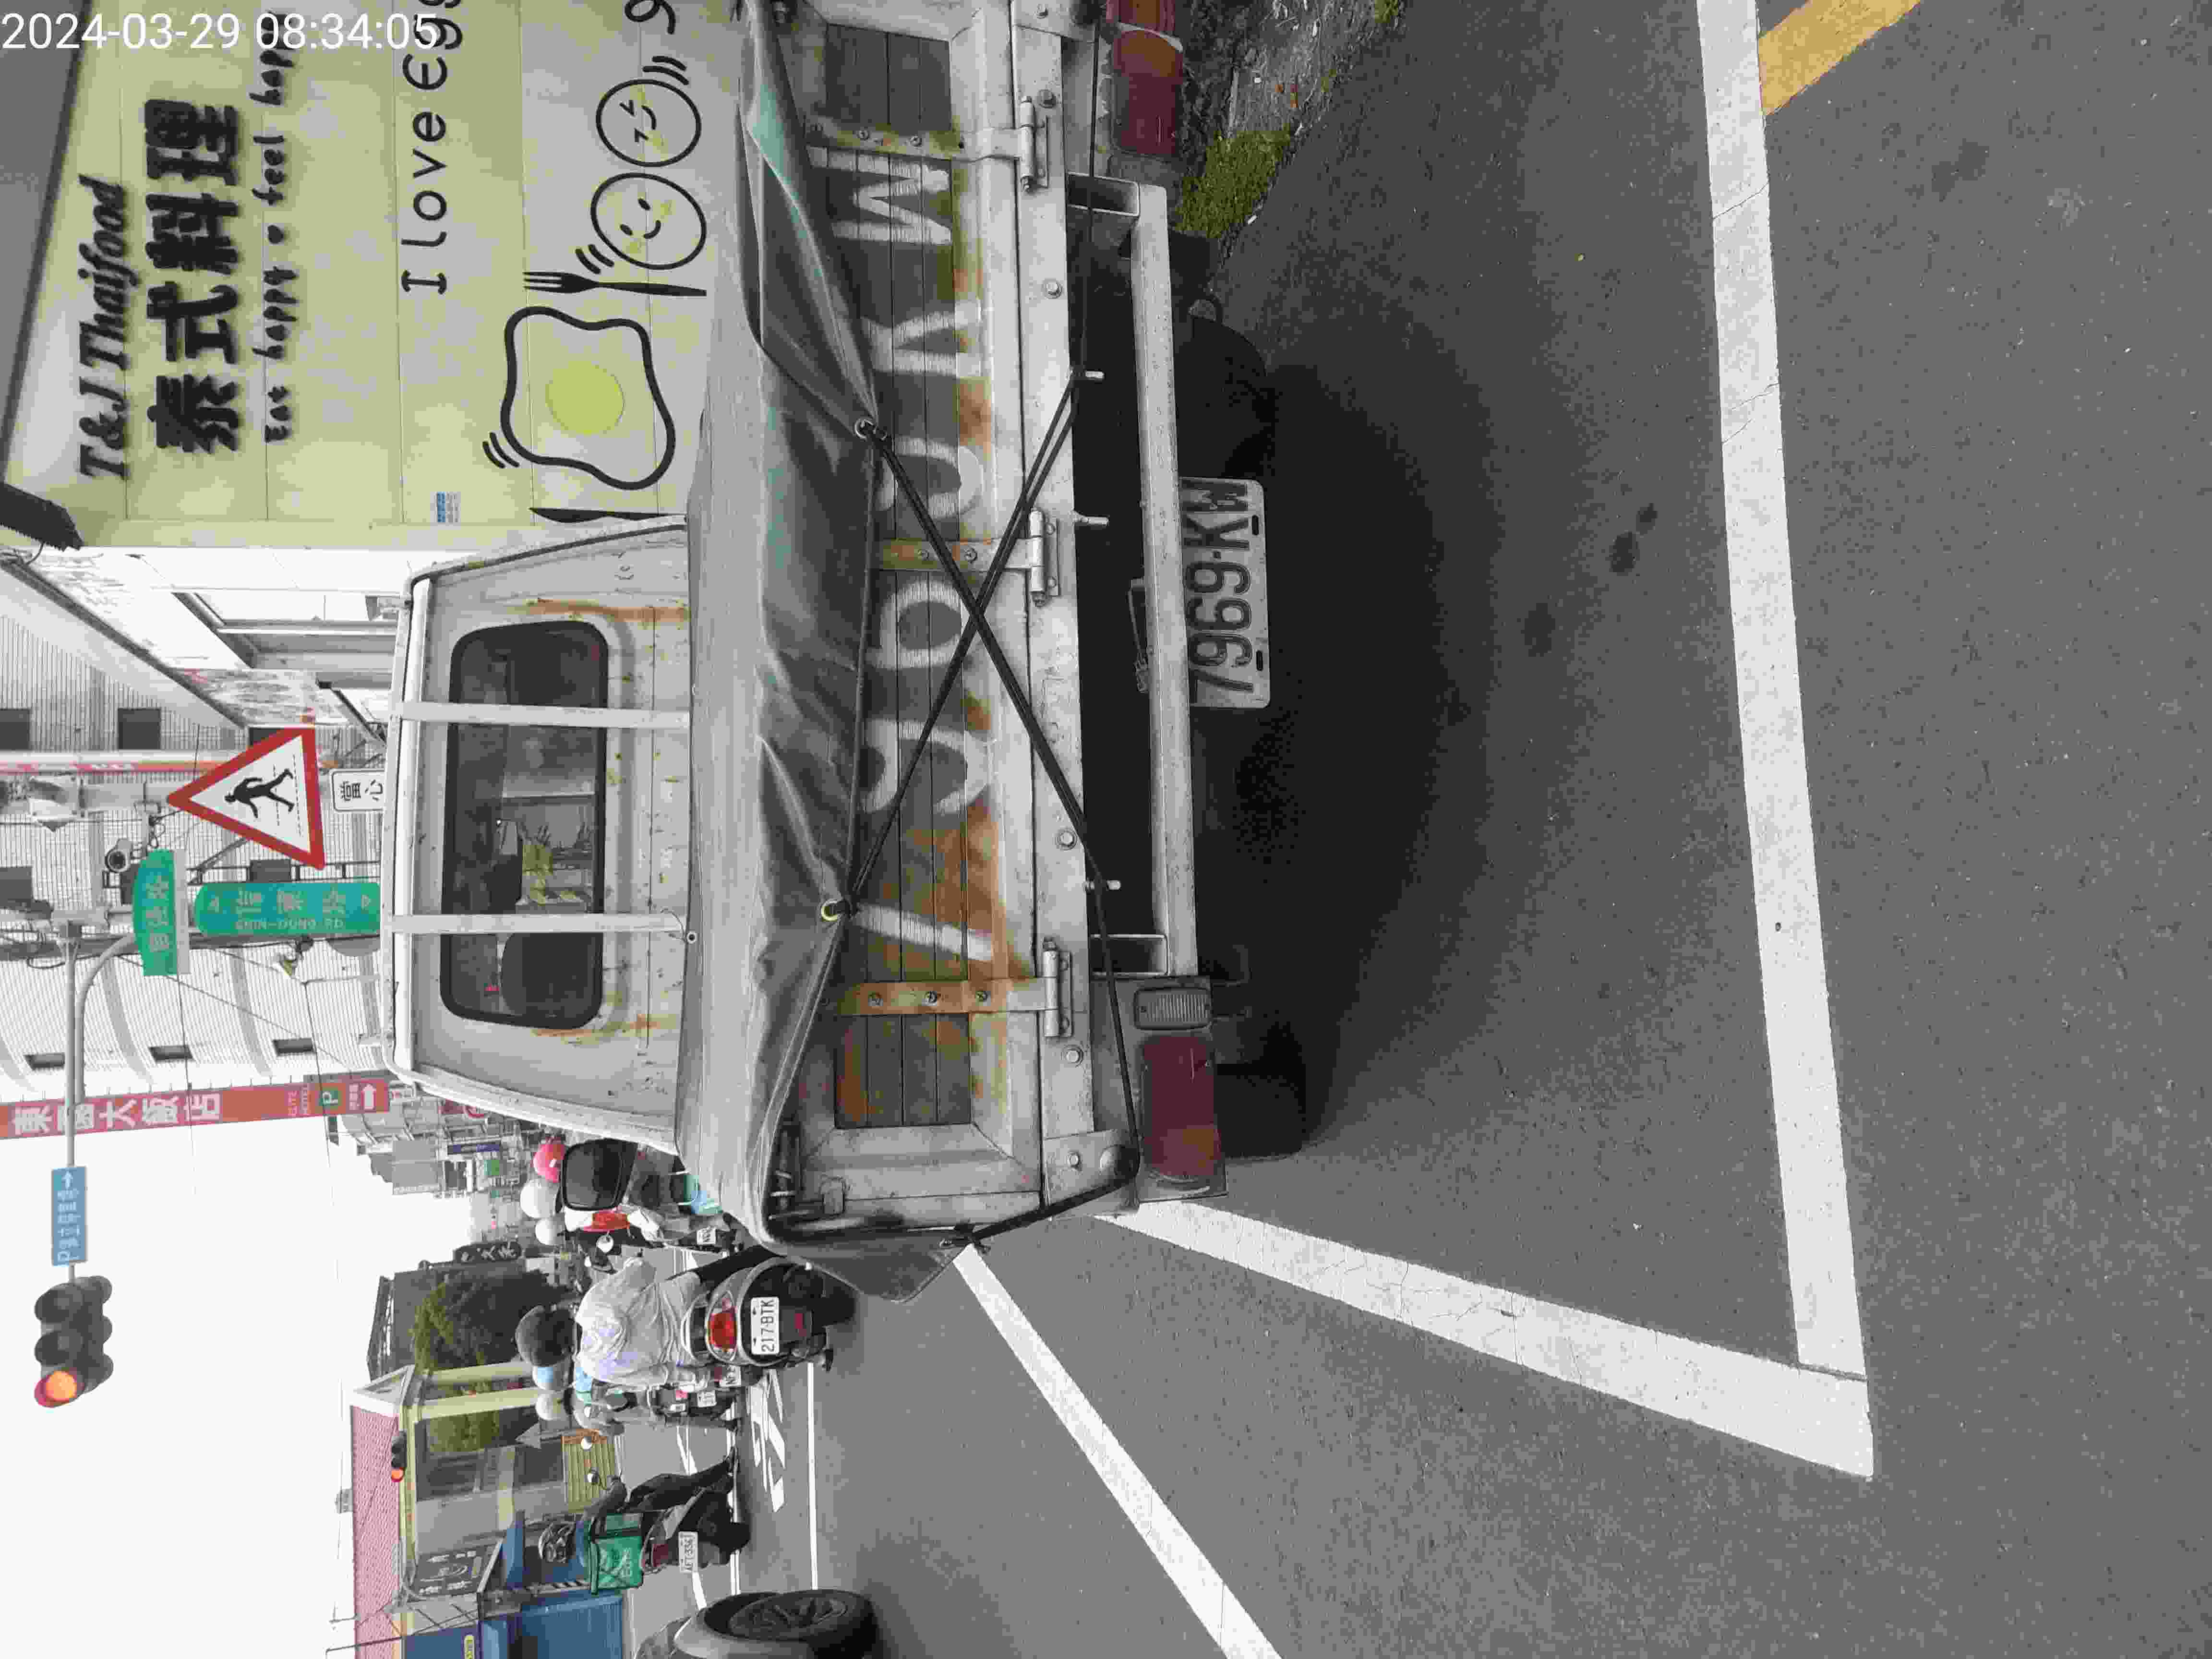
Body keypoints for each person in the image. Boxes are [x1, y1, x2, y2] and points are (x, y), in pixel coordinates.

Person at [516, 1244, 778, 1393]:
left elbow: (659, 1375)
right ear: (555, 1320)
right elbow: (644, 1272)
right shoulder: (591, 1304)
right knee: (742, 1263)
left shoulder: (596, 1369)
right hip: (685, 1296)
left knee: (748, 1354)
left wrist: (703, 1376)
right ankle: (784, 1246)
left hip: (694, 1349)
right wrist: (633, 1264)